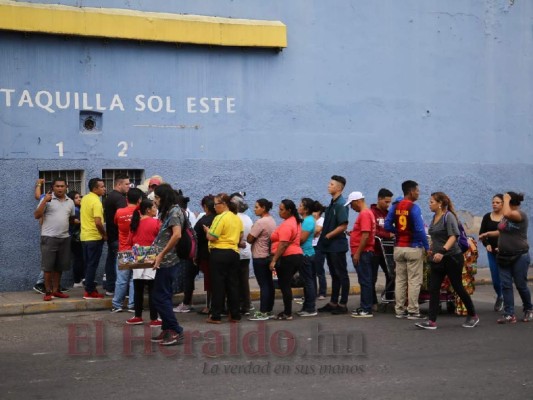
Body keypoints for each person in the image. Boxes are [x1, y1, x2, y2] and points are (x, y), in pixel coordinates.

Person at [415, 192, 479, 330]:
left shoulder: (448, 216)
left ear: (440, 204)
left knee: (457, 287)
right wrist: (432, 249)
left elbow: (453, 236)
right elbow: (438, 237)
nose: (429, 204)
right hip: (437, 258)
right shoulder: (434, 217)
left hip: (452, 258)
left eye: (432, 202)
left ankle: (473, 315)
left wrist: (442, 251)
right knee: (434, 289)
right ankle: (431, 321)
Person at [480, 192, 532, 324]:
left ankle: (529, 309)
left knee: (521, 285)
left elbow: (508, 213)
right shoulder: (506, 216)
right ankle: (509, 313)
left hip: (519, 255)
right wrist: (488, 233)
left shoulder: (520, 215)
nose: (497, 204)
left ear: (509, 203)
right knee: (506, 285)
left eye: (502, 202)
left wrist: (507, 198)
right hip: (503, 255)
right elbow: (503, 230)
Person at [385, 180, 429, 319]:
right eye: (417, 190)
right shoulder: (414, 208)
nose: (418, 193)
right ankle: (413, 311)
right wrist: (427, 247)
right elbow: (420, 230)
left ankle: (399, 310)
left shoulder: (395, 206)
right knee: (414, 281)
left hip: (398, 248)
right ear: (411, 192)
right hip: (413, 247)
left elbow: (387, 225)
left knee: (400, 280)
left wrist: (397, 231)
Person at [150, 184, 185, 346]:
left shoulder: (175, 212)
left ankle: (176, 330)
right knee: (162, 296)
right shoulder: (169, 211)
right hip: (164, 260)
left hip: (169, 261)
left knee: (159, 297)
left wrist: (162, 254)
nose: (155, 201)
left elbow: (177, 235)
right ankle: (167, 329)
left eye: (157, 197)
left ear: (164, 197)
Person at [204, 193, 243, 324]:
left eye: (216, 204)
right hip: (234, 252)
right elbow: (240, 236)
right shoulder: (236, 218)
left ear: (224, 204)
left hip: (219, 253)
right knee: (233, 284)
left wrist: (207, 231)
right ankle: (235, 314)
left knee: (218, 285)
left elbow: (212, 236)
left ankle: (216, 315)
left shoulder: (220, 218)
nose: (214, 207)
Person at [34, 178, 75, 301]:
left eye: (62, 186)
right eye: (57, 186)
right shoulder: (47, 199)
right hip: (49, 238)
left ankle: (56, 290)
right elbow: (37, 215)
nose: (60, 188)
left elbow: (71, 218)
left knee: (59, 267)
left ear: (66, 187)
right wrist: (44, 201)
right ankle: (47, 292)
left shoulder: (70, 202)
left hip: (64, 238)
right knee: (48, 267)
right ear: (53, 187)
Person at [317, 175, 350, 315]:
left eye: (331, 184)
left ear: (338, 188)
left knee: (342, 274)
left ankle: (343, 304)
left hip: (337, 245)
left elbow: (343, 225)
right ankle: (333, 302)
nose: (328, 186)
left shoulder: (341, 204)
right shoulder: (332, 203)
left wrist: (328, 236)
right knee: (334, 275)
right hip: (329, 246)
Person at [125, 198, 161, 326]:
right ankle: (154, 318)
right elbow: (160, 239)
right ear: (148, 209)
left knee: (138, 288)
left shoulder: (135, 223)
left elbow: (129, 241)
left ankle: (137, 315)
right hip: (152, 255)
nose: (156, 210)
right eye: (154, 207)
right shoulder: (156, 222)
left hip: (137, 255)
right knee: (152, 289)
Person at [269, 199, 304, 320]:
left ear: (289, 210)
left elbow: (283, 244)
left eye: (282, 209)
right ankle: (287, 311)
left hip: (288, 257)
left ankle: (287, 312)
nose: (279, 212)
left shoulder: (288, 224)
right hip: (296, 255)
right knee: (286, 284)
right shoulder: (295, 222)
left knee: (285, 285)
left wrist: (274, 260)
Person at [111, 188, 143, 313]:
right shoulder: (141, 213)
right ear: (139, 200)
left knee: (121, 280)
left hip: (124, 249)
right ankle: (132, 304)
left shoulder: (119, 212)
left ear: (126, 199)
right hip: (137, 250)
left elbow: (115, 223)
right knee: (134, 279)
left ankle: (117, 304)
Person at [346, 192, 376, 318]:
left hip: (363, 253)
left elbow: (365, 235)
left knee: (365, 281)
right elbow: (363, 232)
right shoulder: (367, 213)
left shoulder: (364, 214)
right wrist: (353, 233)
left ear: (357, 201)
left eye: (352, 204)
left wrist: (357, 253)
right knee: (365, 280)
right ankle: (365, 306)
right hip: (364, 252)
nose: (351, 207)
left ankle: (366, 308)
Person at [247, 198, 277, 321]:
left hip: (259, 256)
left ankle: (263, 311)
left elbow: (249, 239)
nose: (254, 209)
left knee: (263, 284)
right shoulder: (272, 220)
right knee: (269, 284)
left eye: (256, 207)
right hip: (268, 255)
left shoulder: (260, 222)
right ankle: (269, 309)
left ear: (263, 208)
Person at [103, 174, 130, 296]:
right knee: (121, 266)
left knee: (111, 261)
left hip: (112, 236)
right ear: (119, 184)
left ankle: (110, 287)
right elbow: (123, 218)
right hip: (119, 237)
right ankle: (119, 290)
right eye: (126, 184)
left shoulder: (110, 197)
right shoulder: (120, 199)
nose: (128, 186)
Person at [81, 178, 107, 299]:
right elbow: (98, 222)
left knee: (88, 264)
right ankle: (90, 291)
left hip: (85, 237)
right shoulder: (96, 202)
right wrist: (104, 234)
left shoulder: (85, 198)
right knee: (92, 264)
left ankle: (89, 286)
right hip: (94, 237)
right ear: (95, 189)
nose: (104, 189)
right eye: (102, 187)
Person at [478, 194, 504, 312]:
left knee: (505, 276)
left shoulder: (506, 218)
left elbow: (509, 234)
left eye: (497, 202)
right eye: (493, 202)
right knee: (495, 278)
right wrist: (487, 244)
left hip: (505, 252)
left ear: (503, 204)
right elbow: (482, 234)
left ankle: (505, 299)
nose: (494, 204)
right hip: (492, 252)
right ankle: (500, 295)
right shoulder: (487, 217)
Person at [173, 194, 198, 313]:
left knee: (186, 277)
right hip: (190, 250)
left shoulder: (181, 215)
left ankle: (186, 302)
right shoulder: (190, 214)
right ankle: (188, 301)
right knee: (188, 277)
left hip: (185, 250)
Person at [296, 198, 321, 317]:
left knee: (308, 282)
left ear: (305, 209)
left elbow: (302, 239)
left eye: (300, 205)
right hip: (307, 253)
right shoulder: (308, 220)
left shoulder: (308, 221)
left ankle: (310, 308)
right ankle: (307, 306)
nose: (298, 207)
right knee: (307, 282)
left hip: (306, 254)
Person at [370, 188, 395, 305]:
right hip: (375, 250)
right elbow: (372, 231)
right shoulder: (371, 213)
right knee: (372, 278)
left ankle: (389, 298)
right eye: (386, 202)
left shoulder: (389, 214)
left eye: (389, 202)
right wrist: (387, 235)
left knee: (391, 274)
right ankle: (372, 302)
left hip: (387, 250)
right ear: (379, 199)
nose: (388, 204)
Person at [231, 193, 253, 315]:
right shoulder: (247, 218)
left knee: (235, 280)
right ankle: (246, 304)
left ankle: (239, 304)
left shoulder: (235, 218)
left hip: (237, 251)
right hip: (246, 252)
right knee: (244, 280)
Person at [193, 195, 216, 315]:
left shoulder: (203, 221)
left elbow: (194, 236)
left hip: (205, 254)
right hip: (218, 253)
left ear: (205, 207)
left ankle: (209, 306)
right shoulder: (219, 219)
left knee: (209, 281)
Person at [67, 191, 85, 288]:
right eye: (76, 198)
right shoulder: (76, 210)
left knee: (79, 259)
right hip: (76, 238)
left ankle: (79, 279)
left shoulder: (76, 209)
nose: (79, 199)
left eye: (80, 197)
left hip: (74, 238)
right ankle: (78, 280)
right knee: (79, 259)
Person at [312, 204, 327, 300]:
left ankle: (322, 292)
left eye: (315, 211)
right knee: (311, 271)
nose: (313, 214)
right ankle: (312, 292)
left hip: (318, 247)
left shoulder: (322, 220)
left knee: (319, 270)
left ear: (319, 212)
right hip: (310, 246)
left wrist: (310, 232)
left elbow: (316, 232)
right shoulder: (310, 221)